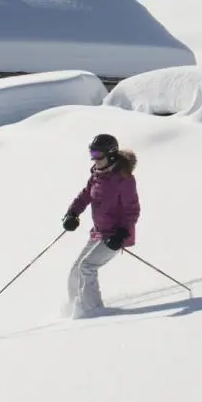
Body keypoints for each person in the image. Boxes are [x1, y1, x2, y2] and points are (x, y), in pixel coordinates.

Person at [60, 133, 140, 317]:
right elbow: (85, 195)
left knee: (87, 267)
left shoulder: (124, 179)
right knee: (75, 270)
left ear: (110, 155)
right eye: (92, 154)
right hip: (99, 233)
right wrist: (72, 213)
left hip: (116, 236)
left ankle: (93, 311)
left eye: (97, 155)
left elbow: (132, 209)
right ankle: (75, 308)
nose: (94, 159)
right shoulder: (97, 175)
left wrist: (122, 234)